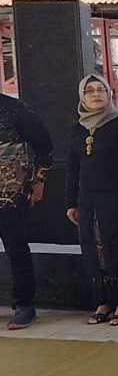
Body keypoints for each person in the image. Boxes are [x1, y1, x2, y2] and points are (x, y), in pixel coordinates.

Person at [66, 75, 118, 326]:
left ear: (109, 95)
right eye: (90, 91)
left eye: (101, 90)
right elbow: (72, 169)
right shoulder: (77, 129)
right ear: (82, 96)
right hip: (88, 200)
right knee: (93, 250)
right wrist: (71, 203)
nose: (96, 95)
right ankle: (103, 301)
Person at [0, 91, 52, 330]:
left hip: (11, 194)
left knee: (16, 248)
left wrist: (39, 180)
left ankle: (24, 306)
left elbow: (44, 145)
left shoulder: (15, 108)